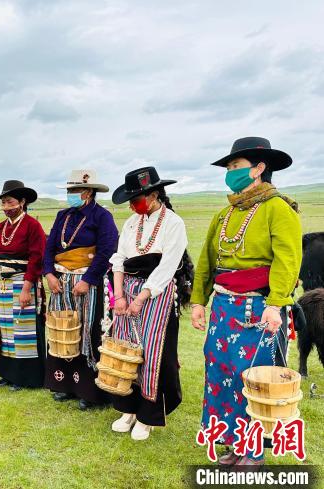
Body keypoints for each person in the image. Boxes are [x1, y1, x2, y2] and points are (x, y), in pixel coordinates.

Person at [191, 137, 302, 468]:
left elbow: (288, 260)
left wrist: (276, 303)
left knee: (250, 375)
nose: (229, 173)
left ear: (259, 168)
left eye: (235, 167)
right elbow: (207, 261)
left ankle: (254, 451)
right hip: (223, 308)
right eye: (228, 168)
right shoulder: (225, 214)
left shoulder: (278, 209)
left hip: (259, 307)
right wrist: (199, 300)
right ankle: (235, 443)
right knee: (220, 369)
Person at [108, 167, 191, 441]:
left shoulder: (173, 223)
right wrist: (119, 296)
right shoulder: (131, 223)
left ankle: (148, 415)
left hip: (157, 294)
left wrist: (142, 297)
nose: (132, 205)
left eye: (137, 199)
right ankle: (128, 408)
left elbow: (167, 267)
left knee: (154, 352)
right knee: (125, 349)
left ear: (154, 195)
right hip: (126, 291)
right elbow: (119, 259)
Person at [43, 170, 118, 410]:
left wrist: (88, 279)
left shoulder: (102, 217)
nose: (69, 195)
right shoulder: (62, 215)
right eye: (68, 191)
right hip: (60, 281)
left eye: (73, 191)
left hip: (87, 284)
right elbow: (49, 248)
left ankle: (90, 390)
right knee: (61, 329)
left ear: (87, 192)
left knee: (87, 331)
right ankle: (63, 385)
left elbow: (107, 250)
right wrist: (49, 274)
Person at [0, 180, 47, 391]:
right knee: (6, 329)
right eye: (4, 203)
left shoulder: (32, 226)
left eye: (10, 202)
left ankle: (26, 377)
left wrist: (27, 289)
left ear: (22, 202)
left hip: (21, 283)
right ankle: (8, 374)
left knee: (22, 329)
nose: (6, 207)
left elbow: (36, 258)